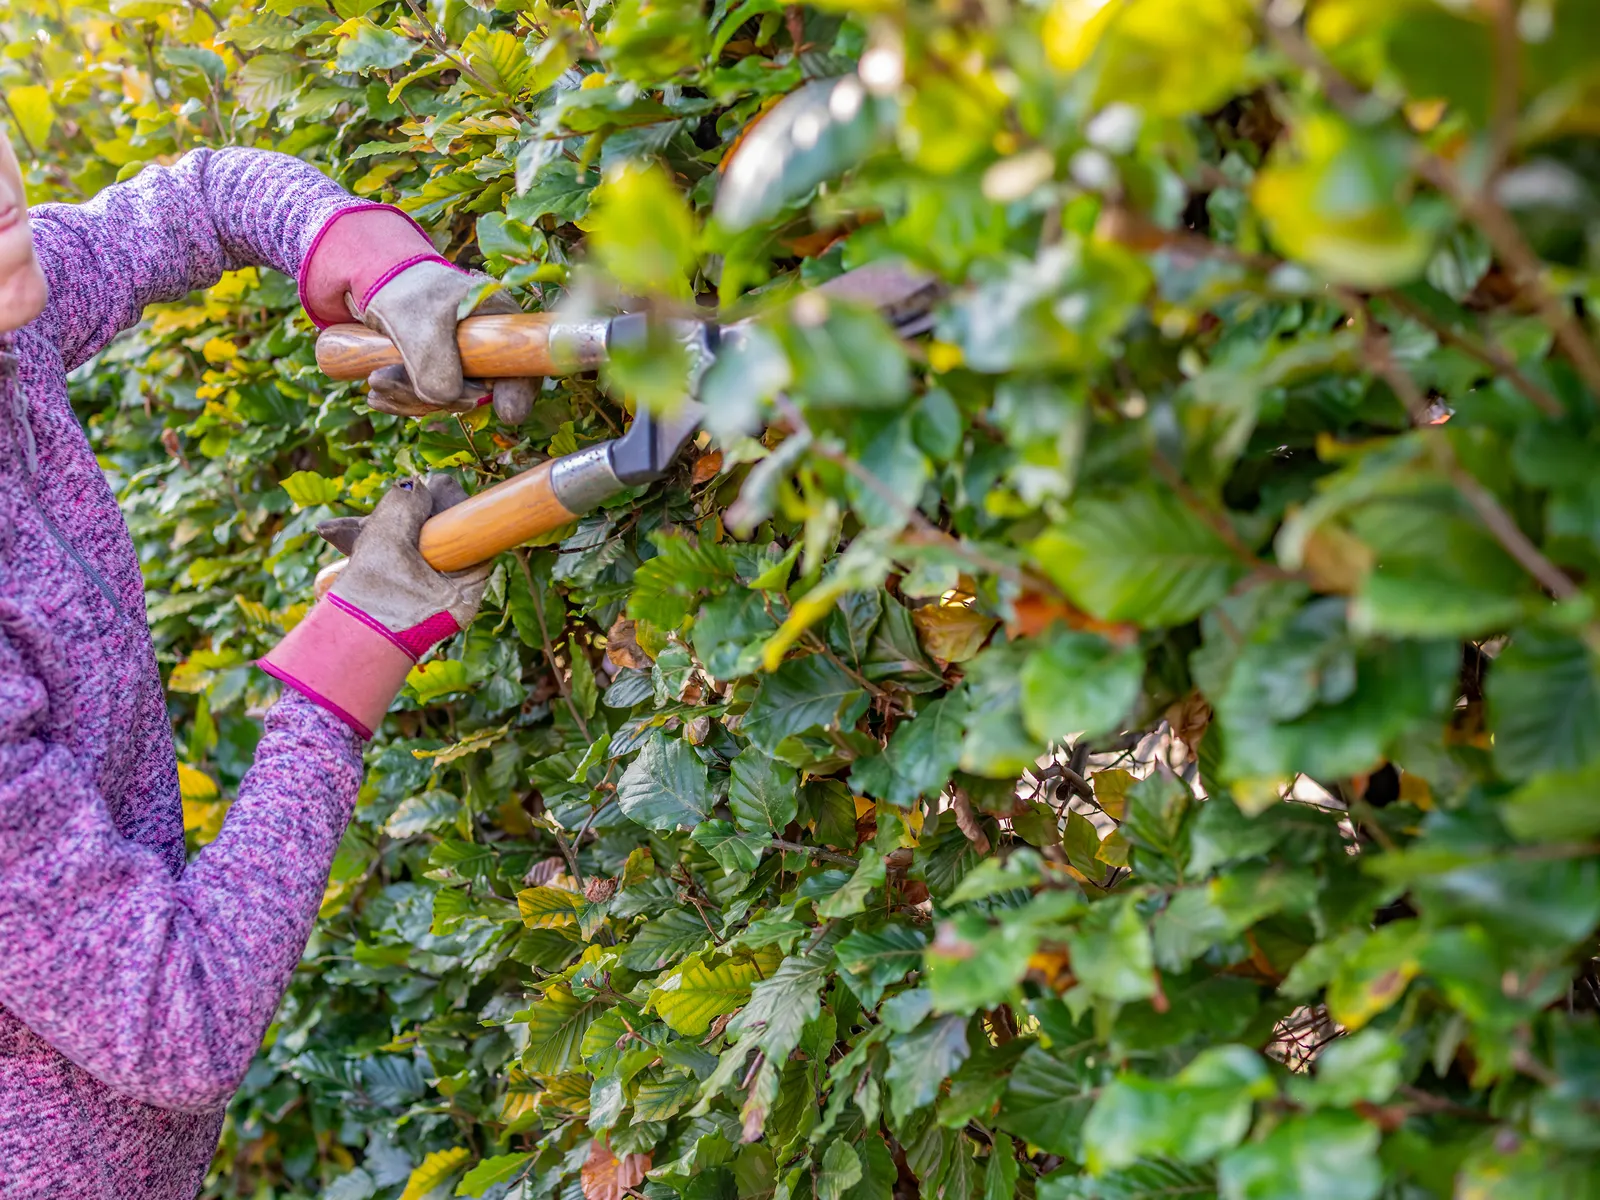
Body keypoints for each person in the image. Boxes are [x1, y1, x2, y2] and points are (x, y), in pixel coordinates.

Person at [0, 132, 522, 1196]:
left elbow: (191, 202)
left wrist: (372, 258)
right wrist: (353, 652)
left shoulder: (14, 321)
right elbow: (177, 1019)